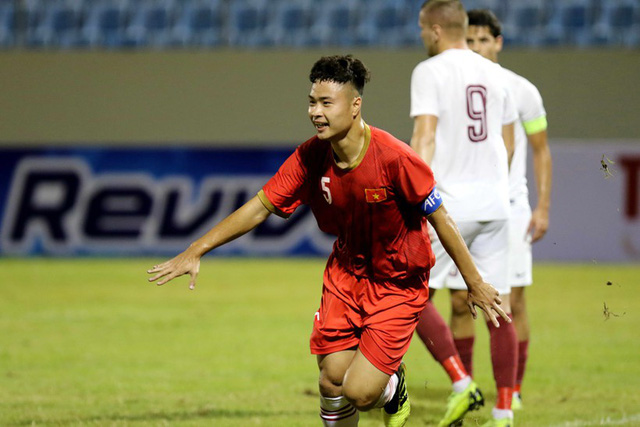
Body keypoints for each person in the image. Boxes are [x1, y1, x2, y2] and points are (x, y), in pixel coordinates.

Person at [147, 54, 509, 427]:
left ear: (355, 106)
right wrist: (196, 249)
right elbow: (259, 207)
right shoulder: (310, 156)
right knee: (331, 380)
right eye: (311, 102)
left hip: (397, 284)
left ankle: (392, 387)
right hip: (346, 278)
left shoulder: (395, 158)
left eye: (325, 103)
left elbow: (441, 218)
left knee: (359, 392)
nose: (315, 112)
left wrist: (474, 282)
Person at [409, 1, 519, 426]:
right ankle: (505, 410)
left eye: (422, 29)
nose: (422, 37)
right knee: (498, 304)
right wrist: (493, 185)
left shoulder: (429, 71)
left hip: (449, 204)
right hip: (495, 204)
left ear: (436, 30)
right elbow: (507, 144)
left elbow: (425, 135)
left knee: (410, 294)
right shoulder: (496, 73)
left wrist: (415, 195)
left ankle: (461, 382)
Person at [453, 8, 552, 411]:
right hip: (464, 208)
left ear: (498, 41)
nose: (476, 47)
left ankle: (513, 388)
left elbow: (542, 150)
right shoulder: (454, 86)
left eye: (482, 40)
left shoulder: (521, 90)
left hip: (509, 209)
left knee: (511, 303)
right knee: (460, 301)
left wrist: (542, 205)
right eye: (469, 40)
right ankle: (466, 390)